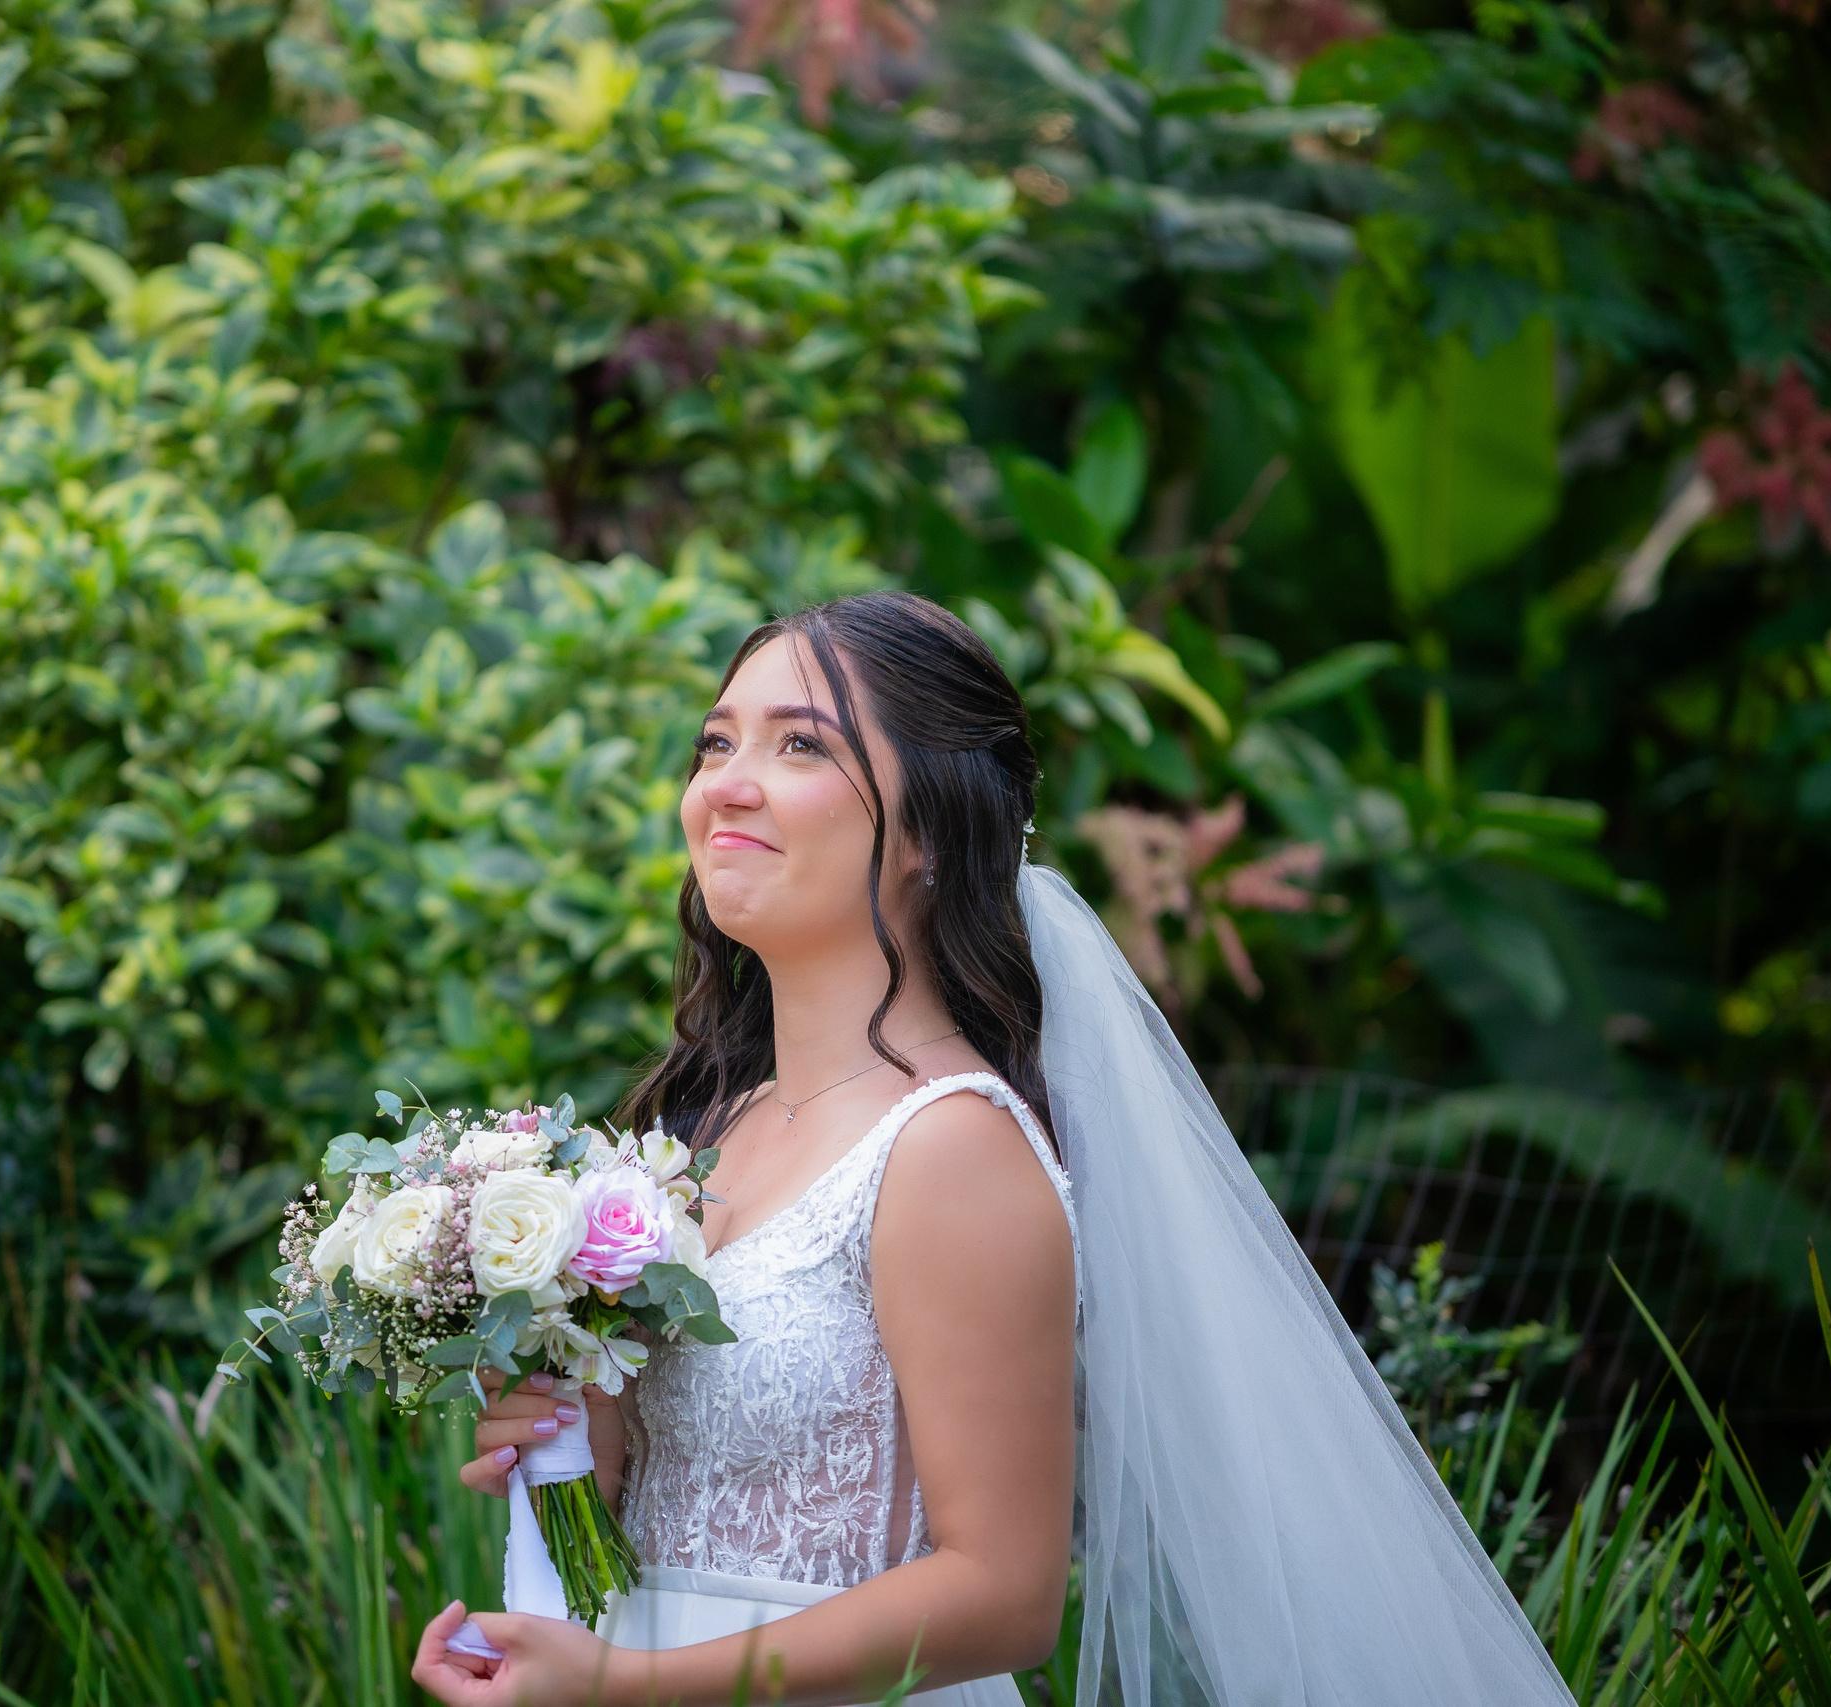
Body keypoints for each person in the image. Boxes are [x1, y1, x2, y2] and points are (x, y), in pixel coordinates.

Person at [411, 592, 1575, 1707]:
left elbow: (1002, 1595)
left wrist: (635, 1687)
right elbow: (683, 1508)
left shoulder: (949, 1149)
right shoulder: (700, 1138)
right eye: (716, 745)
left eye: (801, 747)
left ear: (930, 832)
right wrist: (572, 1442)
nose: (728, 786)